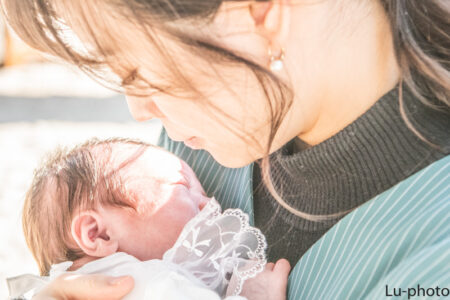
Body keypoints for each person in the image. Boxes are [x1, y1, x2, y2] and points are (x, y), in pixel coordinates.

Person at [1, 0, 448, 299]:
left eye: (137, 68)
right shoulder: (198, 144)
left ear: (259, 11)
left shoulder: (432, 257)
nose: (137, 109)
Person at [8, 138, 290, 300]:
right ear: (97, 234)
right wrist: (253, 295)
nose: (208, 202)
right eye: (183, 187)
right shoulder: (145, 282)